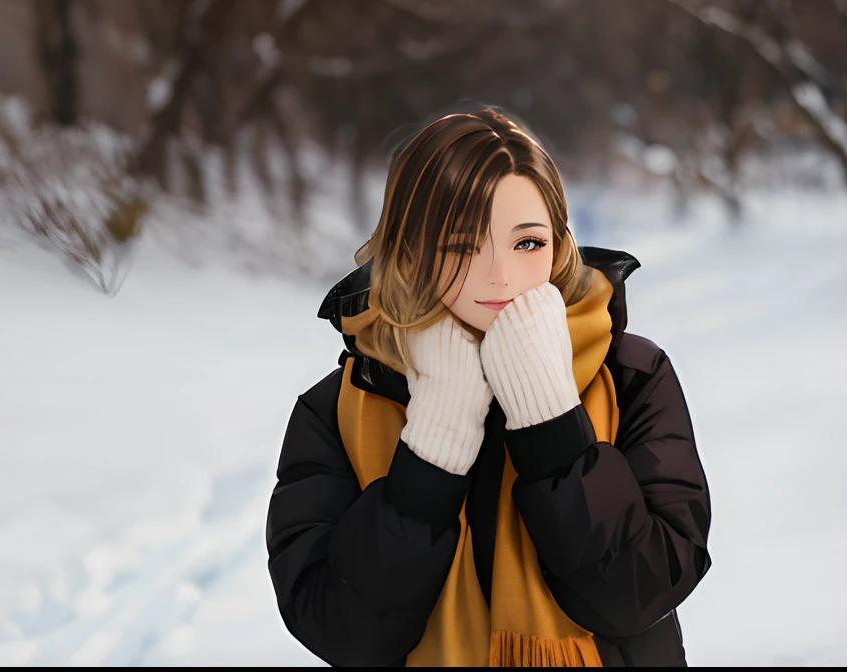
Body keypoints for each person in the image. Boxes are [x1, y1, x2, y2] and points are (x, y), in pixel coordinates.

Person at [265, 106, 712, 667]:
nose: (499, 276)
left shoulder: (630, 376)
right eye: (459, 245)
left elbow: (638, 595)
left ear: (559, 244)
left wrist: (551, 422)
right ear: (409, 250)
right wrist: (432, 448)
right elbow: (344, 633)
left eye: (527, 243)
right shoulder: (338, 408)